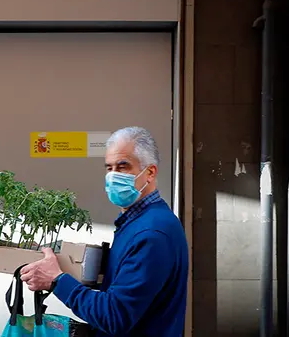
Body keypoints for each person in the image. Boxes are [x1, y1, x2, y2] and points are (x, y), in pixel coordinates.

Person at [20, 126, 188, 337]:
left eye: (123, 166)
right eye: (109, 168)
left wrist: (56, 281)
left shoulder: (152, 233)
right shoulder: (137, 222)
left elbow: (115, 316)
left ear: (150, 172)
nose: (113, 176)